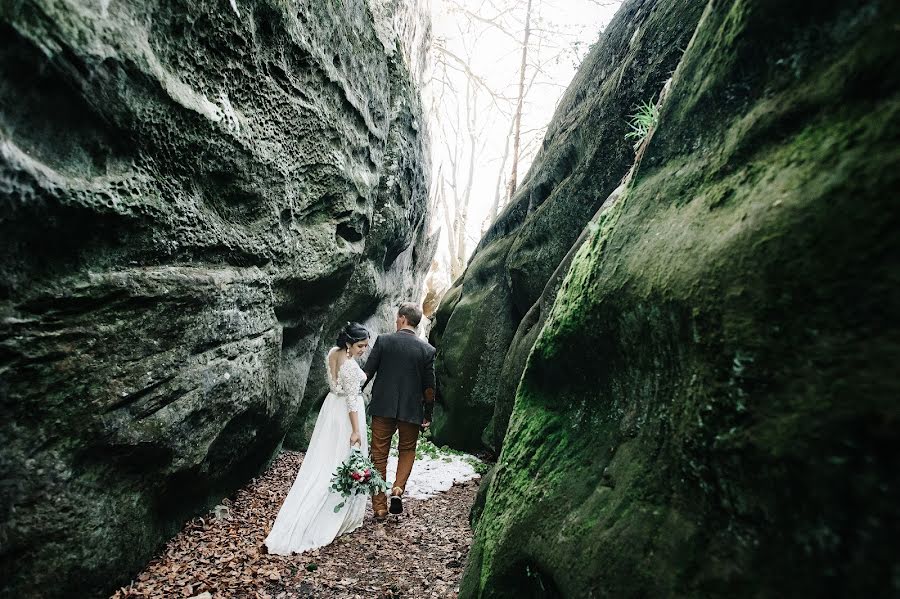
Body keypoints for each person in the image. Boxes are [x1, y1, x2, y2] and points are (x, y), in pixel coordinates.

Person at [264, 322, 370, 555]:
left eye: (366, 345)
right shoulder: (351, 367)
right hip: (345, 416)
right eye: (361, 345)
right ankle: (331, 512)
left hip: (331, 408)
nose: (364, 349)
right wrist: (355, 431)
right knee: (341, 462)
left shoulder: (333, 353)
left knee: (324, 459)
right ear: (350, 344)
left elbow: (334, 384)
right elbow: (352, 402)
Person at [363, 303, 437, 520]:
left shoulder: (384, 341)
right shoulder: (427, 350)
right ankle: (397, 489)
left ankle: (379, 507)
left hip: (383, 407)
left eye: (397, 318)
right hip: (411, 409)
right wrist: (428, 413)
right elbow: (429, 386)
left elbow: (367, 372)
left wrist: (352, 396)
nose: (396, 321)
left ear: (403, 319)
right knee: (407, 450)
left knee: (379, 455)